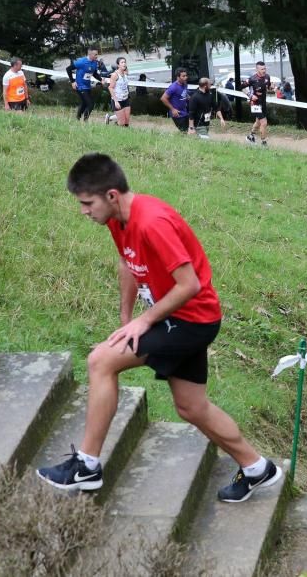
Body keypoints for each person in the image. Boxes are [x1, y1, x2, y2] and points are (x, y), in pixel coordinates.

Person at [37, 154, 282, 501]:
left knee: (100, 361)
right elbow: (126, 262)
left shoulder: (152, 221)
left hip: (191, 320)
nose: (83, 211)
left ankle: (86, 466)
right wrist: (126, 317)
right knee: (192, 407)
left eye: (86, 203)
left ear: (111, 195)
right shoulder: (116, 219)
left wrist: (145, 319)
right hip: (177, 318)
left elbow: (189, 285)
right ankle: (257, 468)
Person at [67, 46, 102, 122]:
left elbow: (94, 73)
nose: (97, 56)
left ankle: (77, 119)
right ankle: (85, 121)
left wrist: (101, 79)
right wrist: (72, 81)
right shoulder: (82, 62)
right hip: (80, 86)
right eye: (95, 54)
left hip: (87, 86)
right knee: (90, 104)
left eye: (97, 54)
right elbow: (68, 69)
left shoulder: (95, 62)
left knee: (84, 103)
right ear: (89, 54)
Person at [243, 61, 271, 147]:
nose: (264, 70)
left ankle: (250, 136)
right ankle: (264, 143)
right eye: (262, 69)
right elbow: (241, 87)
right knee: (264, 123)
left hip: (263, 103)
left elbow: (268, 87)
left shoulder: (267, 77)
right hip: (255, 104)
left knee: (258, 122)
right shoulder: (252, 79)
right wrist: (250, 95)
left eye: (265, 68)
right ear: (257, 69)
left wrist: (272, 88)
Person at [106, 57, 132, 127]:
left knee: (127, 122)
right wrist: (116, 101)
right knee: (122, 123)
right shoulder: (115, 75)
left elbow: (126, 72)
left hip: (126, 99)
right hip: (118, 100)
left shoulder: (125, 73)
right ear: (118, 65)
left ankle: (126, 135)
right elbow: (110, 88)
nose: (124, 64)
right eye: (122, 62)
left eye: (125, 62)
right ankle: (114, 124)